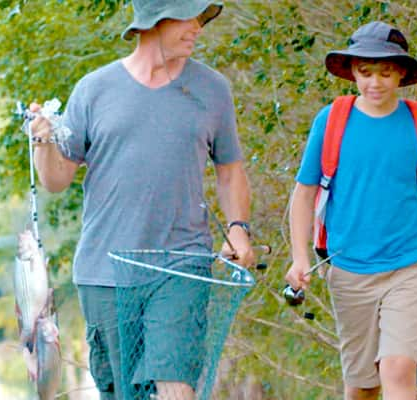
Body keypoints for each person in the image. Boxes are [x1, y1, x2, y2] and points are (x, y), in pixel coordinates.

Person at [29, 1, 255, 399]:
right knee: (123, 393)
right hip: (105, 271)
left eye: (201, 18)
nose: (198, 28)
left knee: (175, 385)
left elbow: (230, 170)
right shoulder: (94, 89)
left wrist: (239, 229)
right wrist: (42, 139)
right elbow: (56, 179)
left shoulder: (212, 89)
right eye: (189, 17)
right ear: (155, 20)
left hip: (182, 265)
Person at [286, 21, 417, 400]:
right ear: (352, 71)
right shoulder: (332, 121)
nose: (375, 83)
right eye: (366, 73)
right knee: (363, 385)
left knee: (398, 368)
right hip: (349, 268)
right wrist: (299, 257)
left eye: (385, 73)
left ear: (401, 73)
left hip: (410, 263)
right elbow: (303, 195)